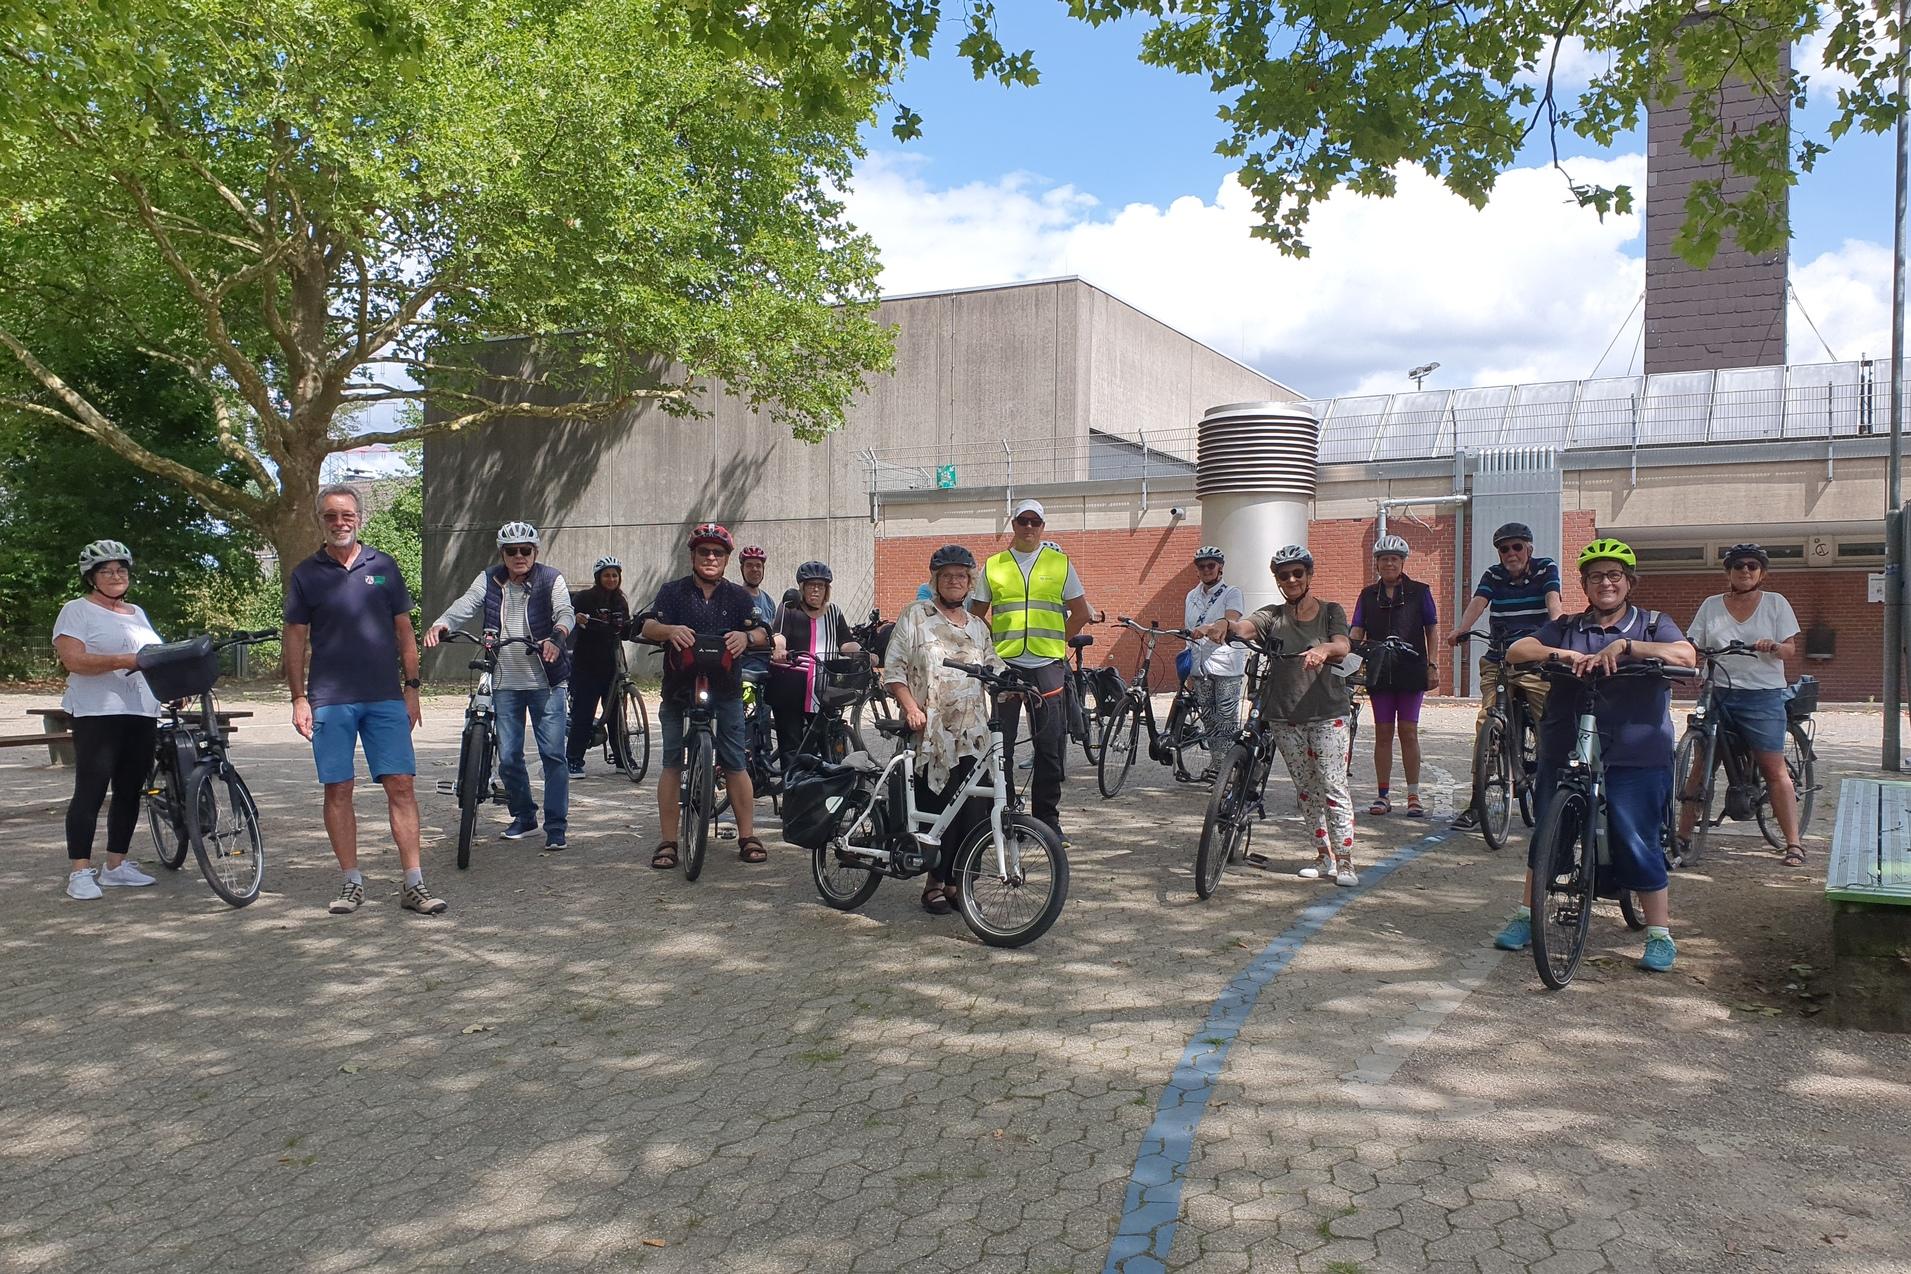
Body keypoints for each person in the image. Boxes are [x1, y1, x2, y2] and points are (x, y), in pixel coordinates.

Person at [1501, 538, 1696, 972]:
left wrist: (1626, 648)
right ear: (1585, 585)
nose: (1605, 583)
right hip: (1566, 739)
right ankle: (1526, 913)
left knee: (1636, 834)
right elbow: (1518, 651)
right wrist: (1563, 653)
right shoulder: (1568, 625)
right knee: (1551, 830)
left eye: (1614, 576)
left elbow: (1685, 655)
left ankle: (1660, 933)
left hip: (1635, 746)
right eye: (1595, 577)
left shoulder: (1651, 623)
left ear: (1628, 582)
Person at [284, 485, 444, 915]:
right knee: (338, 787)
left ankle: (414, 883)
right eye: (331, 516)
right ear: (321, 520)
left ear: (360, 518)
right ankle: (351, 881)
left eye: (347, 515)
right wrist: (299, 698)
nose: (340, 523)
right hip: (330, 699)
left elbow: (405, 632)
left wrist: (412, 689)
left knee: (402, 785)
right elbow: (295, 640)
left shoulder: (385, 566)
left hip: (384, 697)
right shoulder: (306, 574)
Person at [1205, 545, 1360, 885]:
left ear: (1308, 575)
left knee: (1332, 784)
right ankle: (1322, 857)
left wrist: (1322, 649)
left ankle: (1345, 860)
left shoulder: (1330, 610)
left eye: (1297, 573)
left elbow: (1342, 645)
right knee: (1306, 788)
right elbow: (1245, 626)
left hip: (1327, 711)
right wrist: (1223, 624)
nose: (1291, 579)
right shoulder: (1273, 615)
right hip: (1284, 713)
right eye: (1283, 575)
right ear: (1277, 580)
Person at [426, 521, 575, 851]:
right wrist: (443, 622)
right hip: (505, 682)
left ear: (535, 552)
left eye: (526, 550)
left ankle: (556, 826)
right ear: (502, 554)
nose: (519, 556)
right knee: (508, 757)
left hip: (546, 681)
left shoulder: (551, 579)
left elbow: (566, 611)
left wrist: (557, 636)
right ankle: (524, 816)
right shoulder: (490, 579)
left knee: (552, 754)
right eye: (512, 551)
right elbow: (467, 602)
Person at [882, 545, 1006, 915]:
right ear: (936, 580)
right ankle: (933, 883)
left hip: (974, 733)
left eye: (962, 576)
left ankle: (959, 883)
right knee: (939, 804)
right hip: (933, 732)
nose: (955, 581)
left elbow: (994, 666)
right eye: (948, 575)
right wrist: (909, 708)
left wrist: (1013, 685)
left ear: (970, 583)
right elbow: (894, 670)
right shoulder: (915, 616)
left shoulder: (978, 626)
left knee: (974, 809)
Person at [641, 523, 771, 867]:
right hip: (678, 688)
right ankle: (668, 841)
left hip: (726, 688)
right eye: (704, 552)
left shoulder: (739, 596)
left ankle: (747, 835)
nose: (710, 557)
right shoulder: (672, 592)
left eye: (717, 552)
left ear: (727, 559)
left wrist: (748, 638)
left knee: (734, 761)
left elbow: (763, 631)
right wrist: (670, 630)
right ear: (693, 556)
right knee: (671, 762)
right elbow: (647, 626)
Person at [968, 499, 1097, 844]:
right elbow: (976, 612)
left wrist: (1059, 643)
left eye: (1034, 522)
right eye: (1022, 521)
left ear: (1043, 526)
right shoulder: (994, 566)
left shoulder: (1059, 563)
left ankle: (1047, 820)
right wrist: (991, 646)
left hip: (1047, 666)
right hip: (1007, 666)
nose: (1028, 527)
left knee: (1049, 747)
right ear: (1014, 524)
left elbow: (1080, 612)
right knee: (1002, 746)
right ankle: (1008, 813)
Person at [1679, 543, 1805, 866]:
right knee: (1700, 765)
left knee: (1773, 769)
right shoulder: (1711, 606)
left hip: (1761, 695)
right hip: (1718, 691)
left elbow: (1790, 649)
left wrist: (1775, 646)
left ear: (1761, 572)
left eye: (1751, 565)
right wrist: (1694, 661)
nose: (1745, 570)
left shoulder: (1776, 604)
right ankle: (1681, 836)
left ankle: (1793, 843)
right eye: (1738, 566)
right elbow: (1694, 644)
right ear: (1729, 572)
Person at [52, 540, 162, 899]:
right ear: (91, 577)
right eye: (106, 571)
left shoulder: (138, 613)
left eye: (121, 570)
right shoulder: (77, 610)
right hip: (98, 711)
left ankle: (116, 865)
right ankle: (80, 871)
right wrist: (122, 660)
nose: (116, 576)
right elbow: (74, 660)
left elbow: (152, 659)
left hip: (141, 711)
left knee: (130, 790)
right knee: (92, 789)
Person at [1447, 522, 1564, 830]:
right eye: (1504, 549)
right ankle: (1477, 804)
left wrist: (1558, 625)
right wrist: (1461, 628)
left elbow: (1553, 600)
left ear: (1529, 548)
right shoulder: (1493, 575)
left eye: (1517, 547)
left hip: (1534, 660)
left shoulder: (1545, 569)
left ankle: (1552, 797)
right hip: (1499, 659)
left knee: (1549, 724)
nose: (1511, 553)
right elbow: (1478, 603)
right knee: (1487, 724)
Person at [1349, 534, 1439, 817]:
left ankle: (1413, 795)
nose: (1389, 563)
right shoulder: (1367, 595)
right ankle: (1383, 795)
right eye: (1384, 559)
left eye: (1394, 559)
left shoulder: (1420, 591)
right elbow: (1356, 631)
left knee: (1409, 732)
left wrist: (1433, 665)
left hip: (1411, 668)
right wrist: (1349, 655)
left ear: (1402, 562)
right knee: (1383, 732)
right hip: (1380, 669)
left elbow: (1431, 629)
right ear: (1376, 563)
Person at [769, 560, 861, 760]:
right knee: (791, 744)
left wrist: (864, 654)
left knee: (825, 739)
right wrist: (780, 649)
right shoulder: (789, 609)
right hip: (791, 685)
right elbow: (779, 635)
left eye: (820, 586)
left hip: (823, 687)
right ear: (802, 588)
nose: (816, 590)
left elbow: (846, 642)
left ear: (827, 589)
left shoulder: (834, 612)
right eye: (811, 585)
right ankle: (791, 787)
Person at [1182, 546, 1246, 782]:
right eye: (1202, 566)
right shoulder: (1191, 596)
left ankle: (1227, 774)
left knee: (1226, 720)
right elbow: (1189, 630)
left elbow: (1231, 620)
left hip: (1226, 665)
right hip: (1200, 666)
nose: (1206, 570)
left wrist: (1208, 628)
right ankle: (1218, 764)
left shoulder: (1232, 593)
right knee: (1209, 718)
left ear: (1220, 567)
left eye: (1211, 565)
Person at [566, 555, 631, 776]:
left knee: (616, 715)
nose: (611, 579)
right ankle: (574, 760)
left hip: (613, 665)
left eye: (615, 575)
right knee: (583, 714)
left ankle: (623, 759)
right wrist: (577, 618)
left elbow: (626, 630)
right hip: (587, 665)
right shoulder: (585, 598)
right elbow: (569, 615)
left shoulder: (620, 601)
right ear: (598, 577)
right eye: (607, 575)